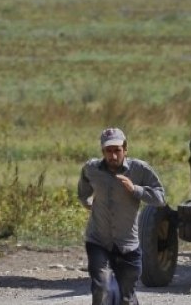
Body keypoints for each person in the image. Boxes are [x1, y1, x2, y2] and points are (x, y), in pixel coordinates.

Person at [78, 128, 166, 305]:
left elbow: (160, 198)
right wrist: (88, 203)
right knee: (101, 288)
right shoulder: (91, 169)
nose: (113, 156)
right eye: (108, 151)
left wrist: (135, 189)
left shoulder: (139, 169)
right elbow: (83, 192)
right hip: (98, 240)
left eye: (117, 150)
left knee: (126, 299)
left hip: (127, 244)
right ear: (102, 151)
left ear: (125, 150)